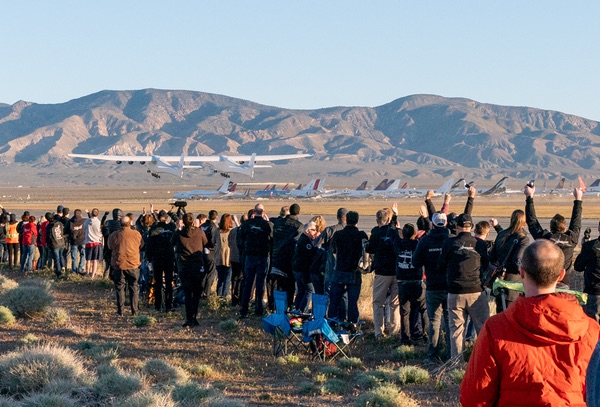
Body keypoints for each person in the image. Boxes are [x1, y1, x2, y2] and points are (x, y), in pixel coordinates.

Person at [460, 240, 600, 406]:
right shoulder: (590, 329)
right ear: (561, 275)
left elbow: (475, 397)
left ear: (522, 272)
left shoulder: (496, 329)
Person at [439, 213, 489, 360]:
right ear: (471, 227)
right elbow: (485, 264)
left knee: (456, 330)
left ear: (456, 226)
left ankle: (456, 362)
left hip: (455, 291)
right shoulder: (480, 244)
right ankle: (483, 360)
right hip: (475, 291)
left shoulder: (449, 243)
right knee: (482, 328)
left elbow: (441, 265)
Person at [525, 185, 582, 286]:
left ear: (551, 227)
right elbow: (576, 222)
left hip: (546, 283)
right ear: (565, 228)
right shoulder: (571, 240)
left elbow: (532, 222)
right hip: (564, 283)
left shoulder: (545, 239)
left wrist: (529, 197)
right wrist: (578, 200)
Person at [413, 211, 451, 362]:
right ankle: (451, 353)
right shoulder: (450, 240)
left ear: (433, 224)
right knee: (449, 321)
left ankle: (432, 354)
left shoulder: (425, 241)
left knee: (434, 321)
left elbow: (415, 262)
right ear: (446, 223)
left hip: (432, 285)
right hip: (449, 286)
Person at [329, 210, 368, 324]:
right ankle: (352, 325)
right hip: (354, 271)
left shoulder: (338, 234)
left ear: (346, 220)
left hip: (340, 270)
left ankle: (332, 323)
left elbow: (333, 250)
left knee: (334, 300)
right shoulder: (361, 235)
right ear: (357, 221)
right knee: (352, 301)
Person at [366, 209, 400, 339]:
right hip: (396, 271)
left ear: (377, 220)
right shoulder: (394, 232)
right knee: (395, 303)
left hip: (382, 272)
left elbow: (370, 248)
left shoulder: (376, 232)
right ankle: (395, 330)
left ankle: (378, 332)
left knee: (378, 302)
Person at [392, 223, 427, 344]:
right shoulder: (418, 244)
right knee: (423, 309)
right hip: (416, 281)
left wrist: (396, 225)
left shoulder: (398, 244)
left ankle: (405, 337)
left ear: (403, 234)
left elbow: (393, 235)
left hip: (403, 282)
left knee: (404, 311)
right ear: (415, 234)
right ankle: (425, 334)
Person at [171, 213, 208, 327]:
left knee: (188, 293)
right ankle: (194, 317)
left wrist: (178, 228)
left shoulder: (179, 233)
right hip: (197, 265)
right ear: (193, 222)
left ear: (183, 221)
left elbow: (171, 243)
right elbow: (206, 243)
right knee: (196, 293)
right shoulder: (200, 232)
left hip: (184, 266)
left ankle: (188, 318)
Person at [489, 209, 529, 312]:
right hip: (513, 285)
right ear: (524, 222)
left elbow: (492, 257)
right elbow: (517, 263)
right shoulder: (523, 239)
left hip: (499, 281)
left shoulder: (501, 234)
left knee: (500, 315)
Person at [238, 204, 273, 318]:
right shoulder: (267, 225)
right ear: (263, 212)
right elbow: (272, 237)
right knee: (260, 283)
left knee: (248, 283)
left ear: (254, 211)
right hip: (262, 255)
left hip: (250, 255)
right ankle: (259, 309)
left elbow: (241, 236)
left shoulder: (247, 224)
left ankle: (244, 309)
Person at [107, 215, 143, 316]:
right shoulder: (136, 234)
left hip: (119, 264)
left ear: (120, 223)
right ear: (130, 223)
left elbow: (109, 246)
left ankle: (120, 311)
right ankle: (134, 310)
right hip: (133, 264)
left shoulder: (114, 235)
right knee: (134, 287)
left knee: (119, 287)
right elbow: (141, 245)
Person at [270, 203, 303, 310]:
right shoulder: (298, 226)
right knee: (289, 286)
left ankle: (277, 307)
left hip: (275, 256)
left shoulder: (278, 222)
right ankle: (288, 307)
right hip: (289, 259)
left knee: (278, 285)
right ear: (298, 213)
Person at [146, 210, 176, 311]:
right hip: (169, 258)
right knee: (169, 282)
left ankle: (157, 305)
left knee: (157, 282)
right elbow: (178, 220)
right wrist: (171, 213)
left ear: (158, 218)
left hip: (157, 258)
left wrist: (149, 258)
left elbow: (149, 245)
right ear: (166, 218)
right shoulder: (171, 228)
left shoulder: (153, 229)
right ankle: (168, 305)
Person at [574, 220, 600, 322]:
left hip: (593, 293)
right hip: (593, 292)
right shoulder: (589, 246)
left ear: (598, 229)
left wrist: (584, 248)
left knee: (592, 326)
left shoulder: (590, 246)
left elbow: (578, 266)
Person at [291, 221, 319, 313]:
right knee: (310, 290)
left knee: (301, 290)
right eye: (314, 230)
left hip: (297, 268)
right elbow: (312, 254)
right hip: (303, 269)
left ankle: (296, 309)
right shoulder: (305, 241)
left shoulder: (302, 239)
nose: (315, 232)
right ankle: (303, 311)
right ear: (307, 231)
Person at [215, 213, 235, 298]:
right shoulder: (232, 231)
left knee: (220, 278)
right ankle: (225, 296)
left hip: (219, 258)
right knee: (227, 279)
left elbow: (213, 242)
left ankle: (219, 295)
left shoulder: (217, 231)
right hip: (228, 258)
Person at [200, 209, 219, 297]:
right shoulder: (213, 227)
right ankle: (206, 293)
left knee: (203, 272)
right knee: (211, 272)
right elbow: (212, 240)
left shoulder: (203, 225)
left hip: (201, 250)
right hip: (210, 251)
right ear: (217, 217)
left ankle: (201, 290)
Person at [84, 208, 102, 278]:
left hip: (88, 242)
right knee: (95, 260)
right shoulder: (99, 222)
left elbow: (84, 229)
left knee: (88, 260)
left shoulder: (86, 221)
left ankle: (87, 273)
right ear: (98, 214)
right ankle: (93, 274)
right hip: (96, 242)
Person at [68, 209, 86, 275]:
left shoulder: (70, 221)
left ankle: (74, 270)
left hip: (73, 241)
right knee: (83, 255)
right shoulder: (84, 221)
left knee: (74, 257)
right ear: (80, 214)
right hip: (82, 240)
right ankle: (80, 268)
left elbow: (67, 230)